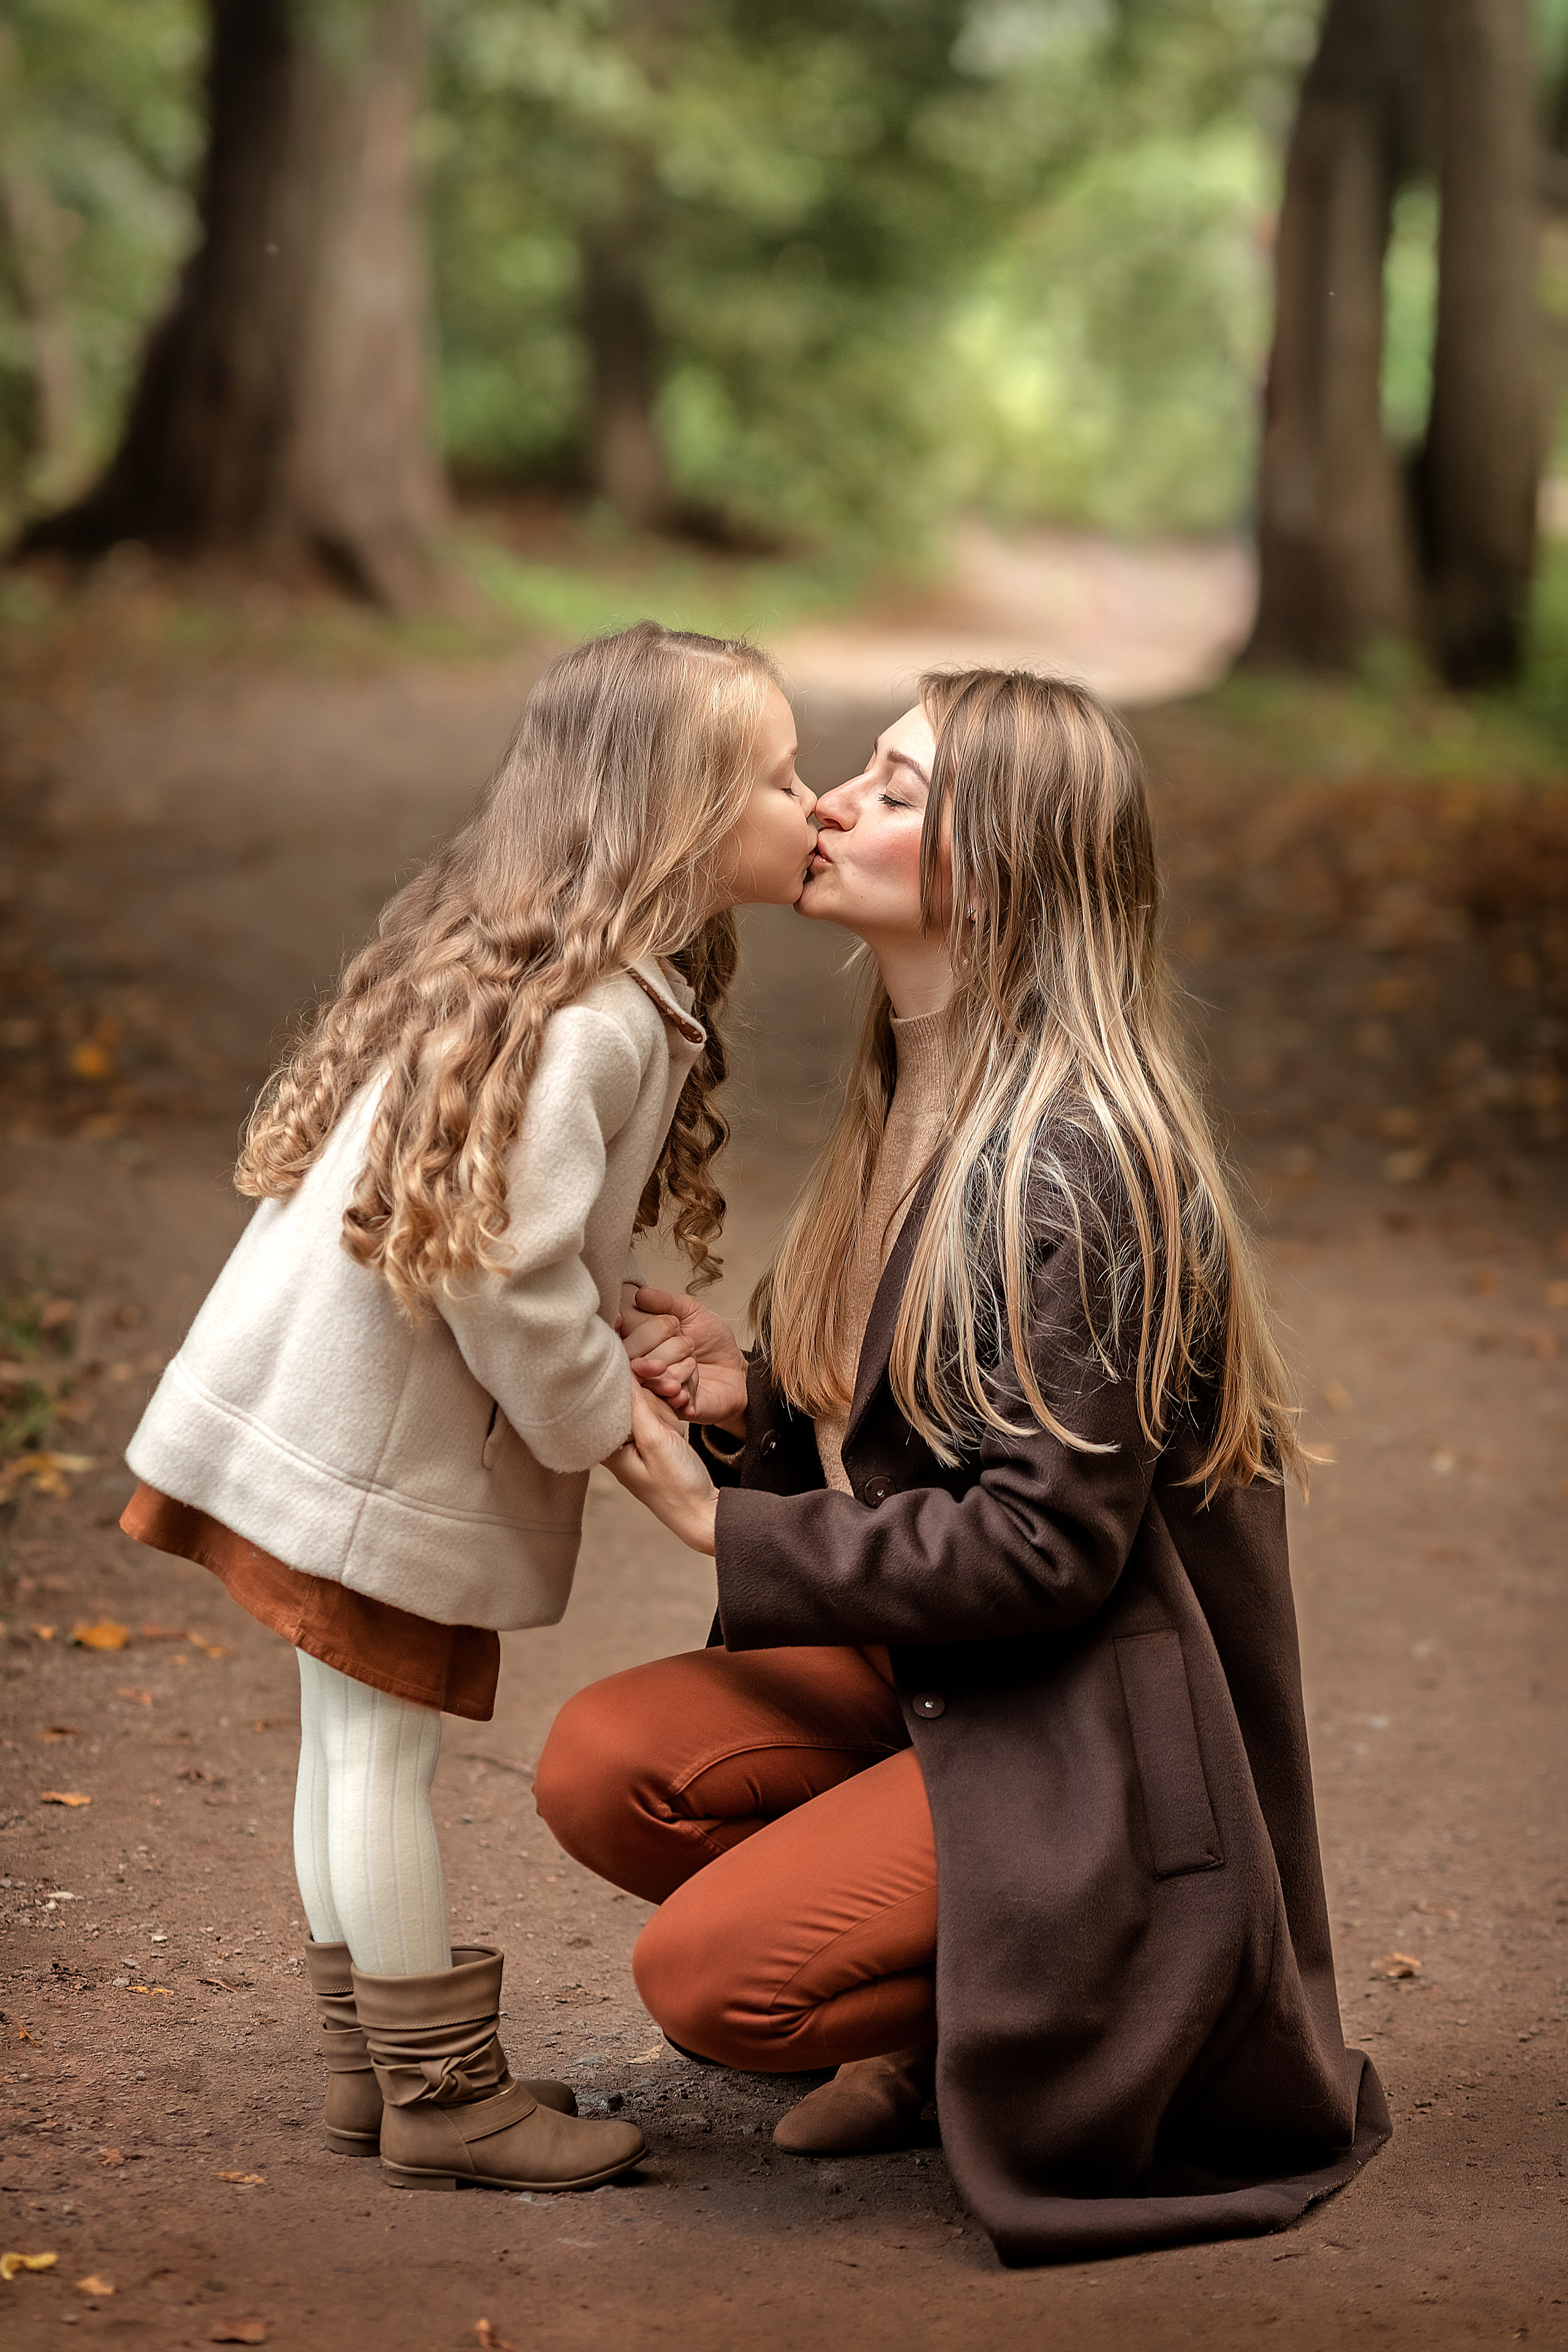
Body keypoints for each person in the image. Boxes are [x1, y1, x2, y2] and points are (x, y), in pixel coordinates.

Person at [535, 667, 1392, 2263]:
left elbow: (1041, 1551)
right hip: (979, 1688)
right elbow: (922, 1442)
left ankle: (1067, 2008)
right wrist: (758, 1407)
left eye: (896, 788)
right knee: (607, 1762)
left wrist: (708, 1513)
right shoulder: (911, 1085)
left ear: (998, 871)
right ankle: (960, 2002)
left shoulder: (1074, 1157)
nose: (837, 802)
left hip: (1100, 1737)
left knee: (709, 1979)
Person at [118, 622, 818, 2196]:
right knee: (377, 1758)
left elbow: (506, 1220)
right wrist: (595, 1413)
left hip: (317, 1424)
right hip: (374, 1461)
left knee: (340, 1748)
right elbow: (502, 1266)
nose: (813, 803)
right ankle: (441, 2096)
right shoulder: (600, 1014)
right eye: (779, 778)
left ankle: (371, 2071)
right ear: (680, 816)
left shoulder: (545, 971)